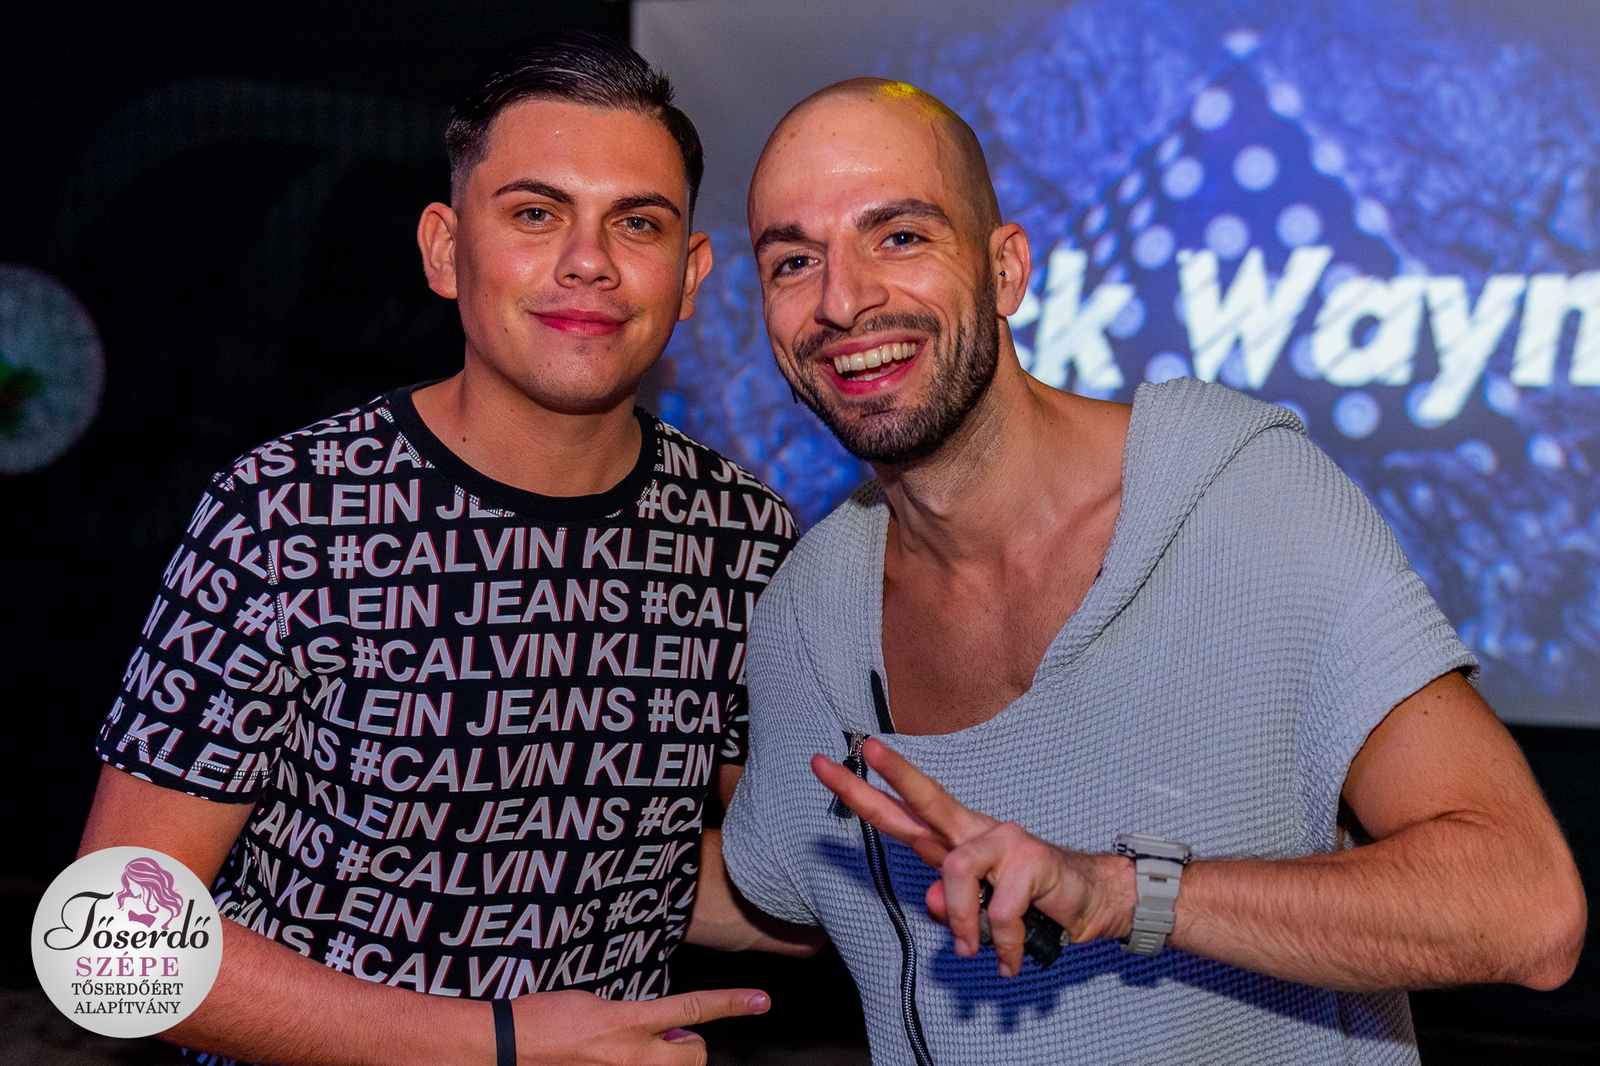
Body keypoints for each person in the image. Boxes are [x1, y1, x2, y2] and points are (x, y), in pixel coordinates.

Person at [720, 78, 1587, 1064]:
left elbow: (1526, 906)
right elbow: (777, 896)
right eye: (794, 260)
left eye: (901, 236)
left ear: (1005, 270)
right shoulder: (807, 611)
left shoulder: (1237, 495)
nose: (843, 300)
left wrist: (1120, 893)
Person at [81, 31, 813, 1066]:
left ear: (689, 274)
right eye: (535, 213)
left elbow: (743, 872)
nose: (589, 260)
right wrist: (500, 1041)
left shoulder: (742, 536)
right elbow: (114, 950)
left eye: (637, 222)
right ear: (443, 248)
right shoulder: (287, 514)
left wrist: (967, 875)